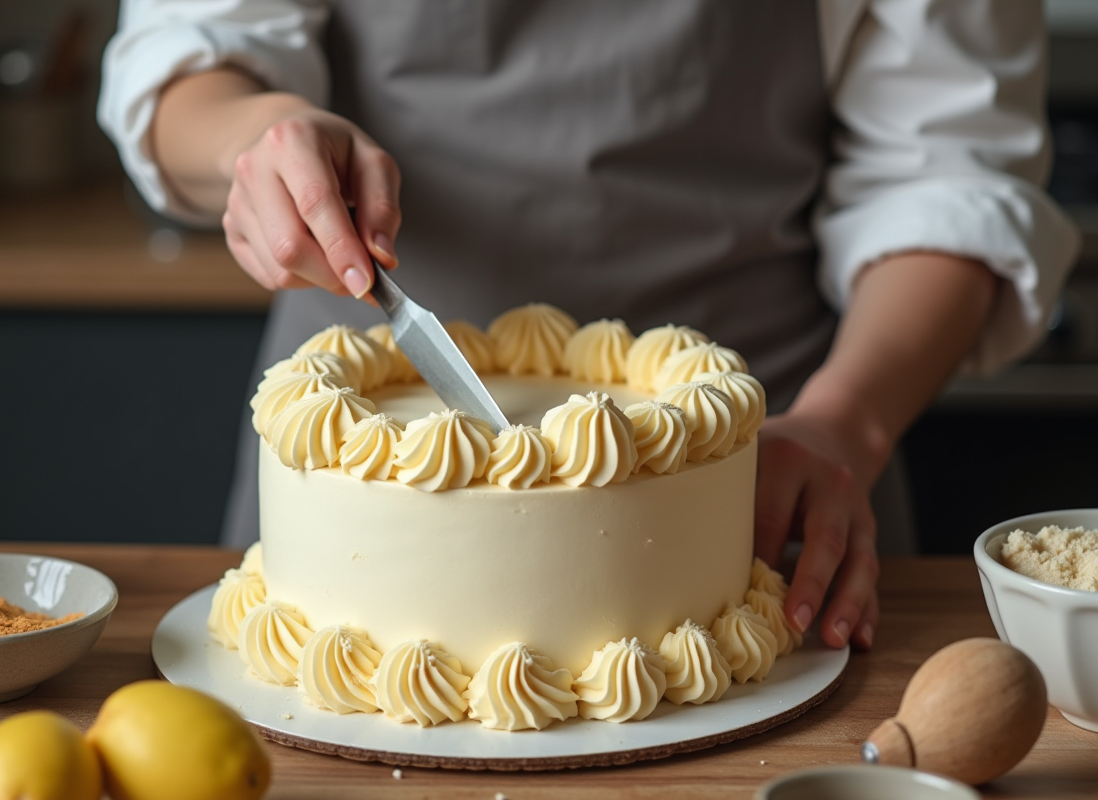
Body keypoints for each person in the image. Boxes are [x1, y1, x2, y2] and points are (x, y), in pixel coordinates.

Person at [99, 0, 1079, 652]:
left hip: (770, 483)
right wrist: (254, 136)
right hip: (361, 426)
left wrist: (845, 424)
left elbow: (951, 172)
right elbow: (188, 65)